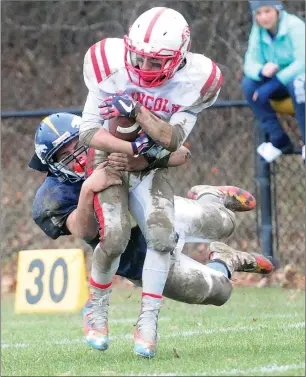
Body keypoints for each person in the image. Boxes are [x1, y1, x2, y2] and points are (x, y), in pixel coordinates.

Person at [29, 112, 273, 358]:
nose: (79, 156)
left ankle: (210, 195)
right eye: (66, 155)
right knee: (220, 292)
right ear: (52, 165)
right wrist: (87, 189)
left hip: (165, 216)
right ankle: (225, 259)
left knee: (225, 224)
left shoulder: (113, 141)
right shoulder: (53, 196)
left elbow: (181, 154)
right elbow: (86, 231)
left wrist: (140, 160)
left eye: (79, 145)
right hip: (141, 260)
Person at [79, 7, 224, 357]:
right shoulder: (106, 61)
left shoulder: (200, 80)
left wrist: (140, 115)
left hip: (151, 160)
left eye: (154, 63)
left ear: (178, 60)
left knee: (162, 236)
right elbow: (87, 132)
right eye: (138, 58)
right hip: (111, 156)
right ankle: (96, 307)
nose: (143, 69)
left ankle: (148, 320)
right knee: (113, 236)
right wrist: (130, 149)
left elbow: (173, 140)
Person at [241, 0, 305, 163]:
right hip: (277, 82)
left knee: (296, 84)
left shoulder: (294, 25)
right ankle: (279, 140)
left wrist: (274, 83)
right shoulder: (258, 31)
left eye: (267, 11)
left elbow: (302, 62)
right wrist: (261, 71)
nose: (264, 17)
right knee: (249, 85)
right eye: (259, 13)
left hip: (298, 79)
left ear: (277, 10)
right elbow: (250, 62)